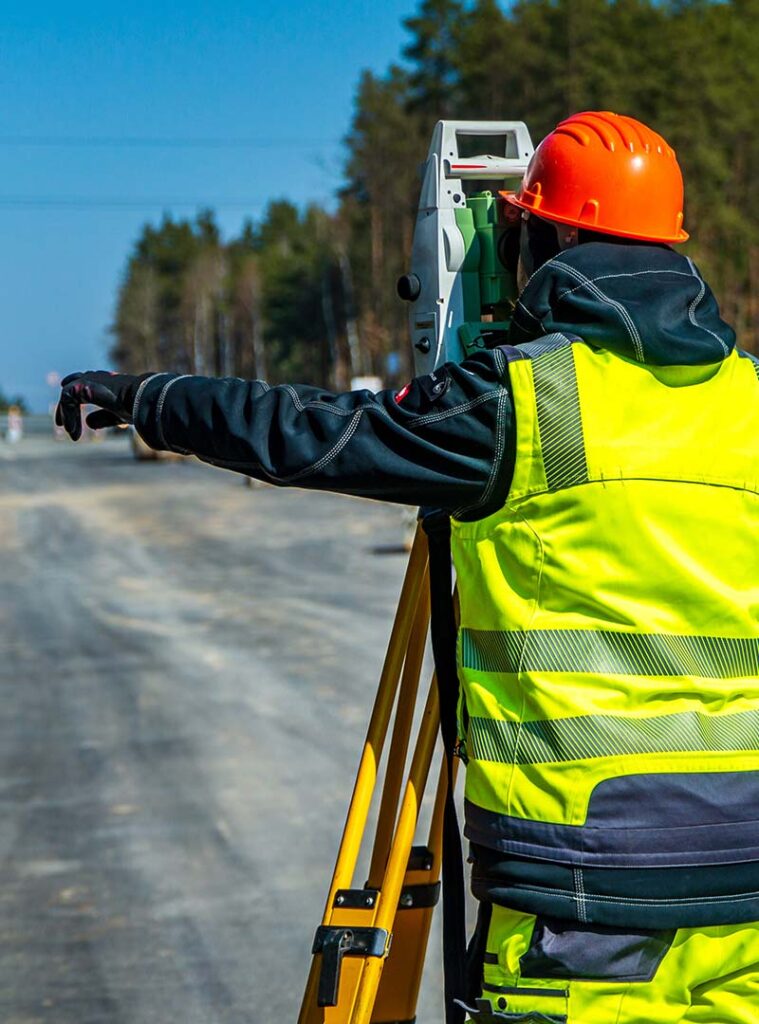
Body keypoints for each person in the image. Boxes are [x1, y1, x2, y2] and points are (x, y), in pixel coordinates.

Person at [57, 111, 759, 1023]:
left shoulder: (523, 401)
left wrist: (152, 398)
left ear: (542, 238)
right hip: (742, 874)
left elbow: (314, 433)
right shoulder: (746, 395)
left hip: (583, 883)